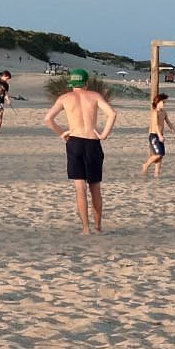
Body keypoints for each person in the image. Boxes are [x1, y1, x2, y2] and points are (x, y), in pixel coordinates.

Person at [44, 68, 117, 235]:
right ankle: (98, 226)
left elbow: (48, 118)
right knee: (95, 187)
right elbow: (112, 114)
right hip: (92, 141)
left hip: (75, 141)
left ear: (72, 83)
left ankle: (86, 228)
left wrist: (61, 132)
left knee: (80, 188)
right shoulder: (95, 96)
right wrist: (104, 134)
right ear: (86, 83)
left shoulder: (65, 98)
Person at [141, 93, 175, 177]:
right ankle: (146, 165)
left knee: (161, 155)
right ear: (158, 102)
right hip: (154, 135)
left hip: (160, 135)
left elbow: (168, 122)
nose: (164, 104)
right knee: (158, 154)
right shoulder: (155, 112)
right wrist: (159, 136)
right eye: (163, 102)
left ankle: (157, 173)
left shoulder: (164, 112)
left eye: (165, 102)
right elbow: (155, 125)